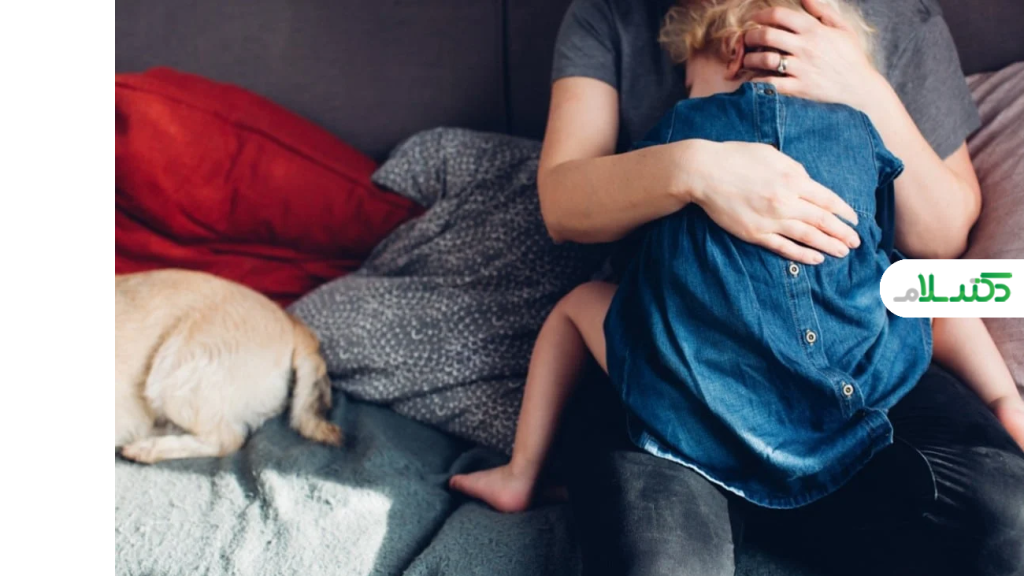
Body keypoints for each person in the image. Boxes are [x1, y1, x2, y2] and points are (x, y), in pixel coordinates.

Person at [458, 0, 1024, 574]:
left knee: (1005, 520)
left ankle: (528, 475)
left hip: (738, 378)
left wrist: (866, 88)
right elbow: (563, 205)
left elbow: (943, 238)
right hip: (732, 376)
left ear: (728, 54)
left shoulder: (898, 21)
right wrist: (695, 171)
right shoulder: (610, 16)